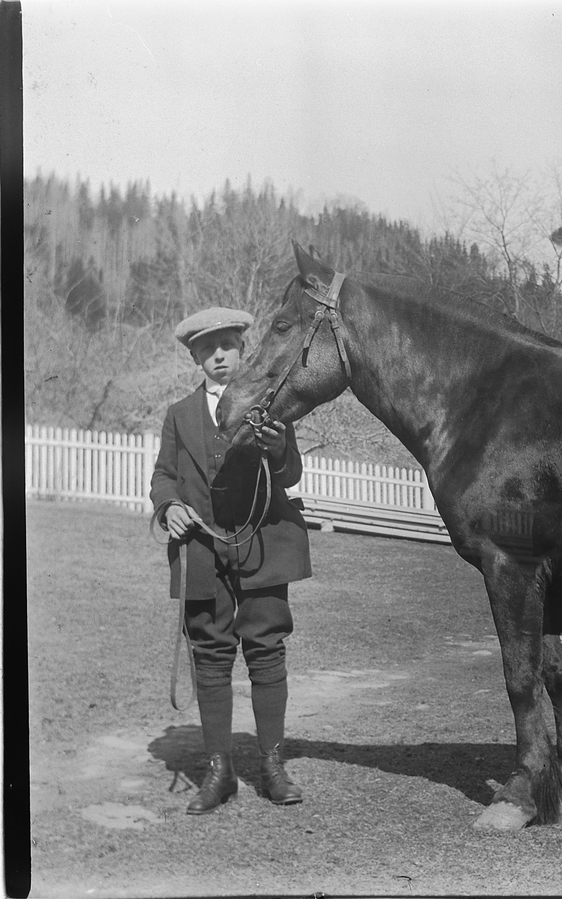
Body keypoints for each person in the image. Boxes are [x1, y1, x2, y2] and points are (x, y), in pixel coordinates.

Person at [150, 306, 312, 814]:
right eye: (207, 349)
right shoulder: (179, 415)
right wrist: (169, 505)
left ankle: (272, 766)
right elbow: (164, 476)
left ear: (243, 350)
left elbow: (290, 476)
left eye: (227, 346)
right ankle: (220, 773)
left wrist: (280, 446)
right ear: (196, 357)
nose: (219, 356)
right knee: (210, 653)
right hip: (201, 548)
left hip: (262, 542)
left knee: (266, 649)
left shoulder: (269, 406)